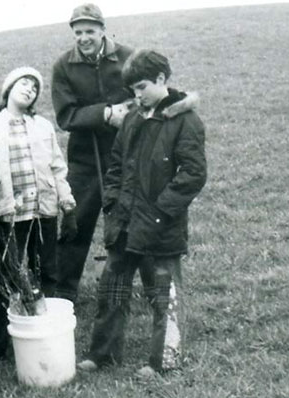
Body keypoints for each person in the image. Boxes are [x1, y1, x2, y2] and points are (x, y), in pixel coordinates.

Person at [52, 3, 195, 303]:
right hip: (85, 159)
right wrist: (105, 114)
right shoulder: (63, 66)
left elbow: (151, 96)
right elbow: (66, 116)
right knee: (77, 221)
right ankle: (64, 293)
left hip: (131, 154)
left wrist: (129, 113)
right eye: (78, 32)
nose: (84, 38)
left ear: (103, 30)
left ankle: (152, 288)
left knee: (135, 219)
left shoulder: (129, 57)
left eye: (90, 31)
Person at [77, 50, 207, 376]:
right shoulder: (133, 119)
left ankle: (163, 361)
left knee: (165, 296)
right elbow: (116, 166)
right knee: (112, 289)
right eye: (132, 89)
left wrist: (160, 211)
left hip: (162, 226)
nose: (136, 95)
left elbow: (193, 174)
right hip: (123, 222)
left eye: (142, 87)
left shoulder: (186, 122)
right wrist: (112, 204)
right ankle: (103, 353)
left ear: (162, 79)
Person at [0, 67, 76, 363]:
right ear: (8, 89)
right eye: (24, 83)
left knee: (47, 272)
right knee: (12, 276)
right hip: (11, 216)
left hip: (43, 212)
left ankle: (46, 333)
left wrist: (67, 204)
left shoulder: (43, 126)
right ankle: (7, 340)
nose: (29, 89)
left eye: (34, 87)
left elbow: (58, 167)